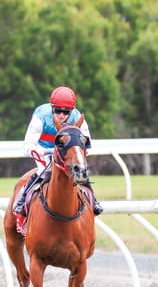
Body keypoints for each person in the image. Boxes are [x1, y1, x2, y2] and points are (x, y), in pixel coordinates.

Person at [12, 86, 102, 221]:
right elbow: (27, 147)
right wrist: (48, 152)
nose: (61, 115)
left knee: (80, 172)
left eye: (66, 112)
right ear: (52, 108)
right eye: (58, 111)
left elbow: (87, 145)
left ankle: (93, 201)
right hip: (44, 151)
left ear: (72, 110)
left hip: (66, 154)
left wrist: (77, 156)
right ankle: (22, 200)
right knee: (44, 170)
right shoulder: (41, 116)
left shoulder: (78, 118)